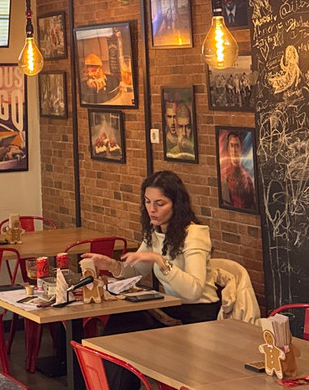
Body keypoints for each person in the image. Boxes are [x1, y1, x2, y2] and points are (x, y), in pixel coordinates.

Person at [84, 171, 220, 389]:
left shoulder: (194, 233)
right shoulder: (155, 232)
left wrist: (160, 260)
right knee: (122, 325)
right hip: (171, 309)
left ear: (177, 204)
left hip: (198, 315)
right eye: (147, 202)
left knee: (128, 330)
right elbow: (135, 272)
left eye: (160, 203)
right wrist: (111, 265)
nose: (152, 209)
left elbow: (194, 291)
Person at [220, 131, 256, 209]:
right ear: (228, 149)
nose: (234, 150)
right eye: (232, 146)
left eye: (236, 146)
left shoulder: (248, 176)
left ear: (241, 148)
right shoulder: (223, 175)